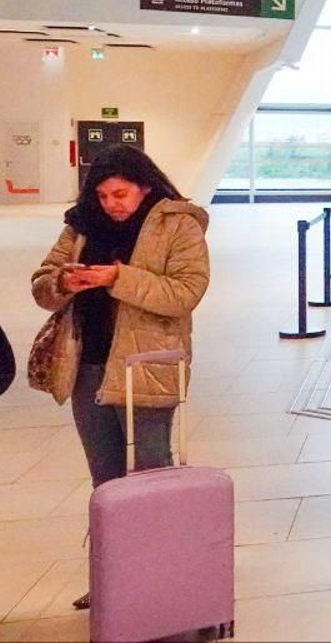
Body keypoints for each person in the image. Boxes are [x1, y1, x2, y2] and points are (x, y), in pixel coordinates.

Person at [30, 145, 210, 610]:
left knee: (151, 472)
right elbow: (42, 281)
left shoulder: (178, 224)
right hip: (87, 364)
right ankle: (114, 577)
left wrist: (117, 278)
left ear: (144, 185)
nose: (112, 204)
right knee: (105, 481)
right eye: (104, 195)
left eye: (121, 194)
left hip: (146, 365)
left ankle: (160, 582)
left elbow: (186, 292)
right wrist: (62, 283)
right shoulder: (82, 224)